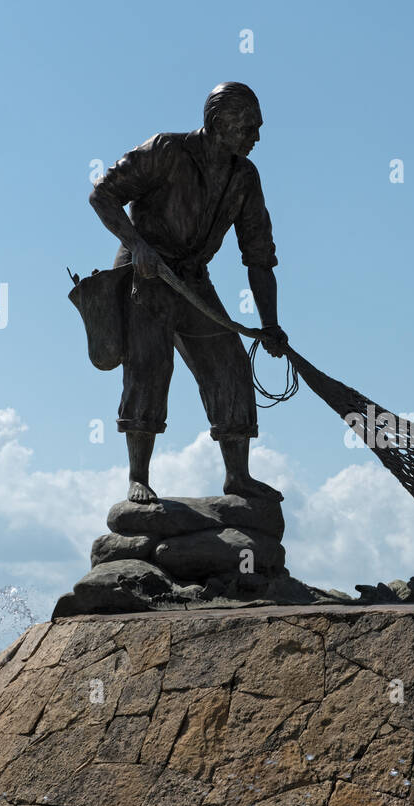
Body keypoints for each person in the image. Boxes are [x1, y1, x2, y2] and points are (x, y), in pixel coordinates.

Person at [88, 81, 289, 504]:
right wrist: (137, 244)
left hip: (193, 278)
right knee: (149, 366)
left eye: (257, 128)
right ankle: (137, 477)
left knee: (230, 364)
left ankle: (238, 476)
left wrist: (270, 325)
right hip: (145, 272)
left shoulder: (245, 178)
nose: (257, 138)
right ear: (219, 124)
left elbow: (258, 255)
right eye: (248, 128)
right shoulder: (166, 150)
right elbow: (103, 195)